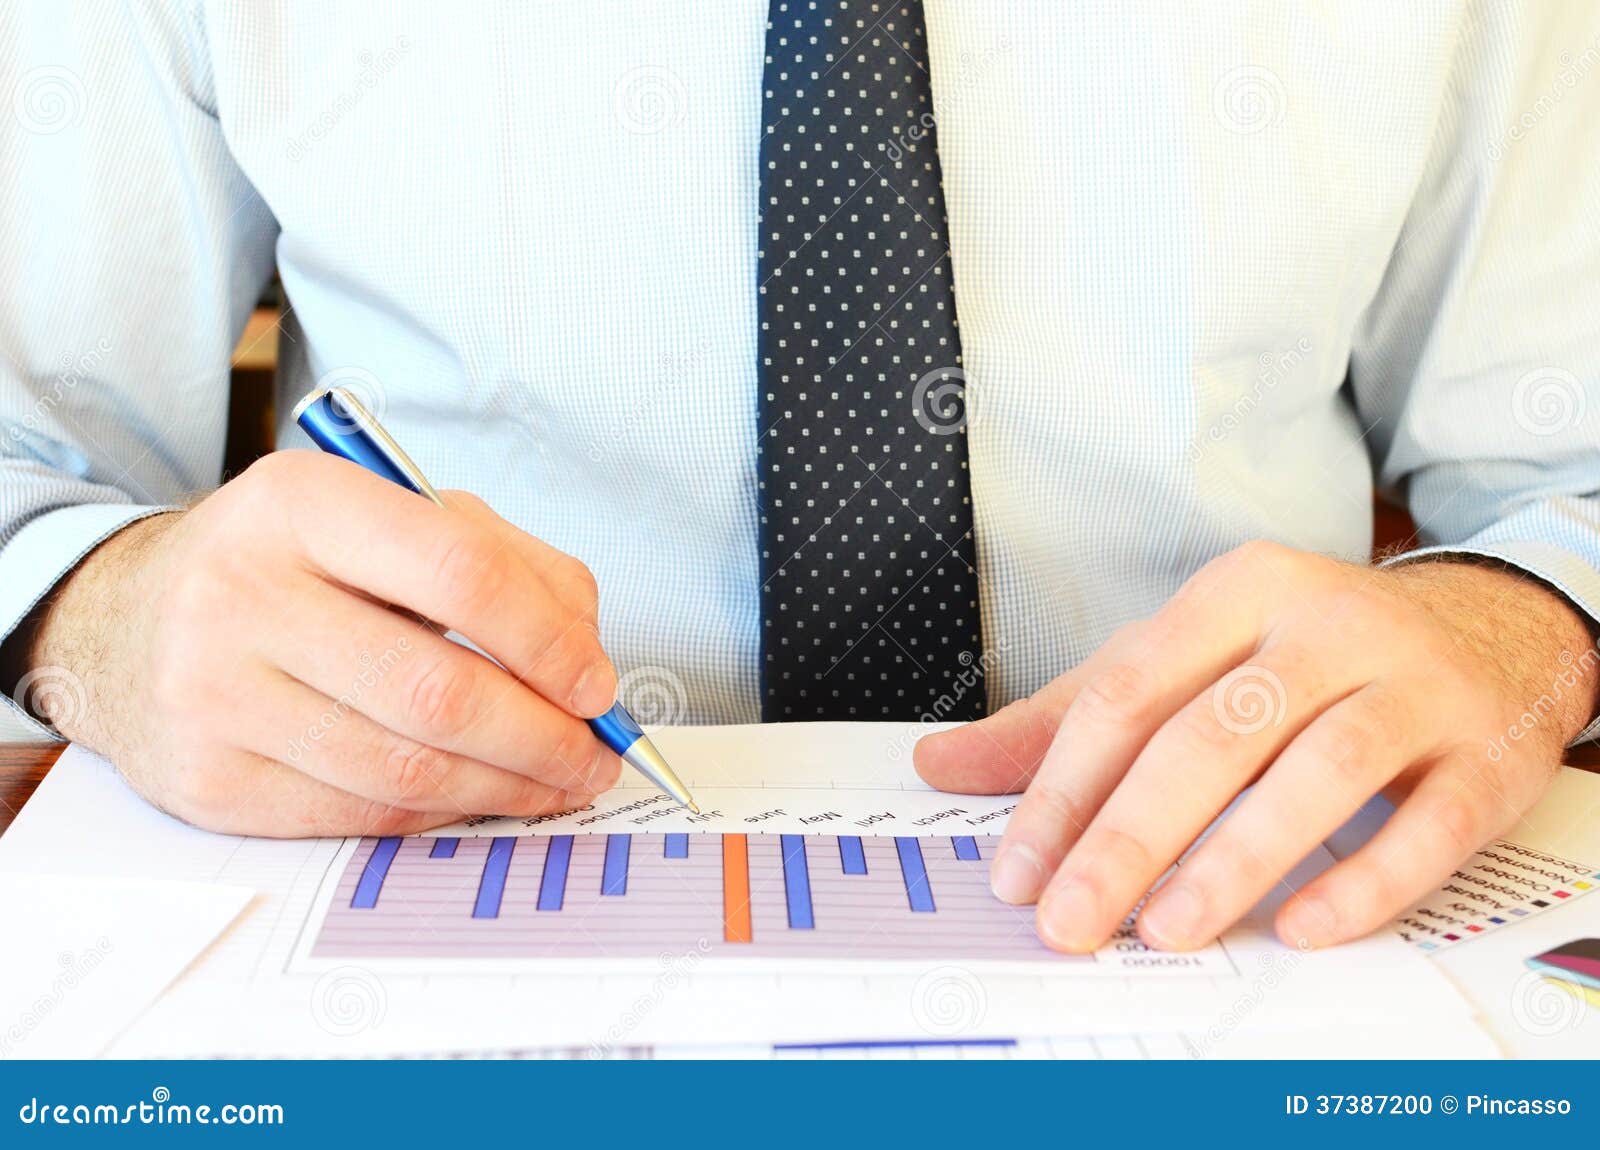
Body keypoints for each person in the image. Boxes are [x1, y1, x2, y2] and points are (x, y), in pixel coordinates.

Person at [2, 2, 1596, 958]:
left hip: (1228, 936)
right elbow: (26, 465)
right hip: (416, 925)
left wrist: (1517, 622)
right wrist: (94, 616)